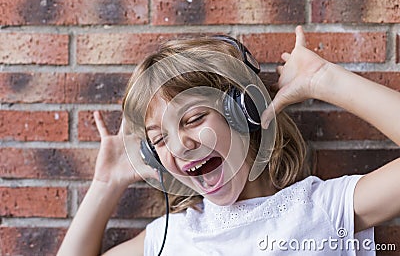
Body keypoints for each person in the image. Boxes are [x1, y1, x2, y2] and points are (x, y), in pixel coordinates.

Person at [57, 26, 400, 256]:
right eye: (158, 140)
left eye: (192, 119)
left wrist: (323, 81)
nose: (178, 146)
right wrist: (106, 183)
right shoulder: (172, 236)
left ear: (244, 111)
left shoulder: (320, 209)